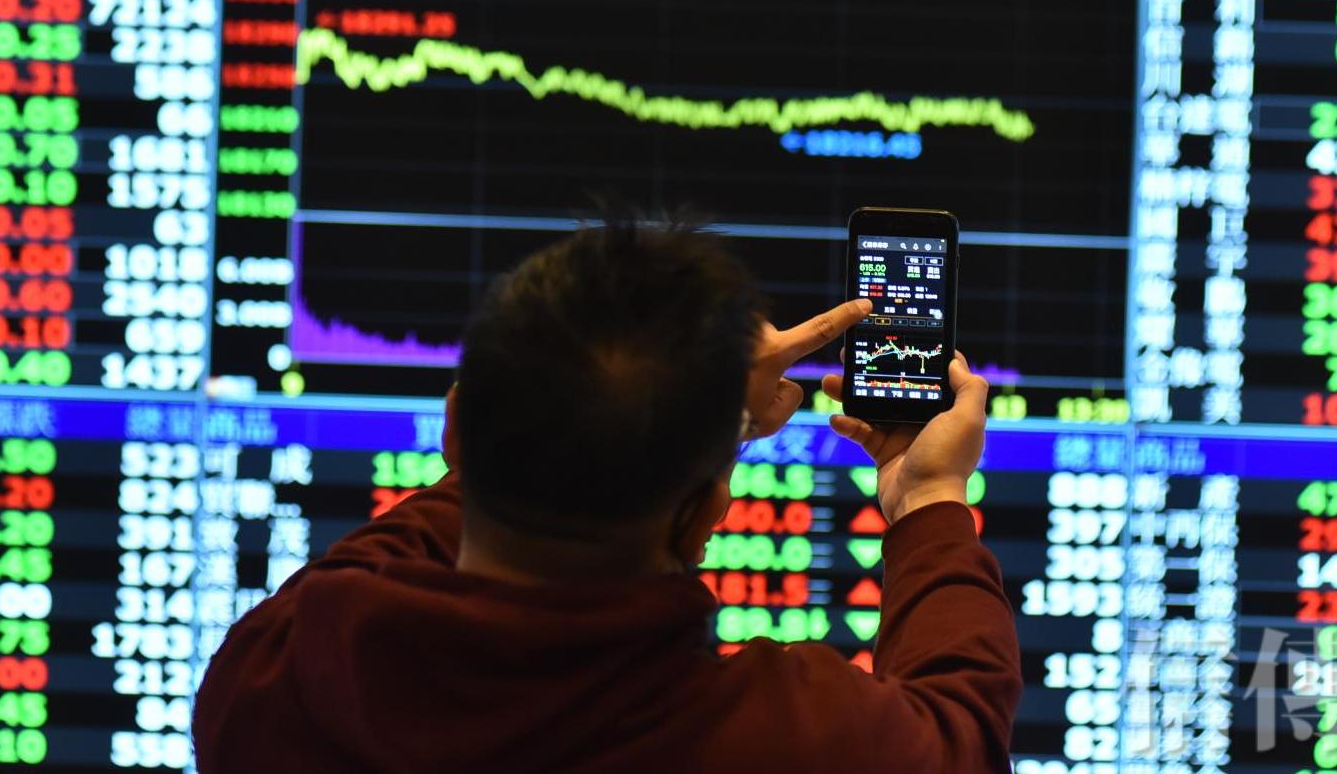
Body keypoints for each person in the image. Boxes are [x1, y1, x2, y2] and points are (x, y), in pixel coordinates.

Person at [194, 214, 1020, 773]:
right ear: (706, 517)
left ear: (455, 428)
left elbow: (381, 558)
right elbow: (962, 739)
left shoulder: (272, 681)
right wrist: (929, 499)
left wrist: (509, 441)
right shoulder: (782, 741)